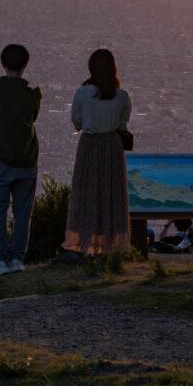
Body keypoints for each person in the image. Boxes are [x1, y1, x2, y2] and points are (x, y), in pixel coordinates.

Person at [0, 44, 42, 277]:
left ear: (2, 63)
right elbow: (32, 117)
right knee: (23, 213)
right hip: (26, 160)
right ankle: (17, 258)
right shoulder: (32, 93)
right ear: (25, 65)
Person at [63, 48, 132, 256]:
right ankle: (112, 246)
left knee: (88, 193)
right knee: (111, 195)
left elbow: (77, 122)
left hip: (90, 146)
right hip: (112, 147)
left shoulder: (82, 93)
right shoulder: (121, 96)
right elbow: (123, 124)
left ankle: (85, 243)